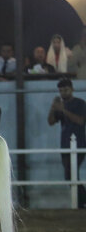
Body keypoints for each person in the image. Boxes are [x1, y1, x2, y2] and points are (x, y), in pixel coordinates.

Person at [47, 78, 86, 208]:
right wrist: (53, 108)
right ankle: (81, 202)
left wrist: (63, 110)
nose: (63, 93)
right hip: (64, 144)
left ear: (72, 89)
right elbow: (51, 122)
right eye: (61, 91)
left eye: (66, 90)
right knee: (69, 175)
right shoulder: (60, 105)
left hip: (79, 143)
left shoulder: (80, 103)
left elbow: (80, 121)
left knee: (71, 173)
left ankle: (81, 202)